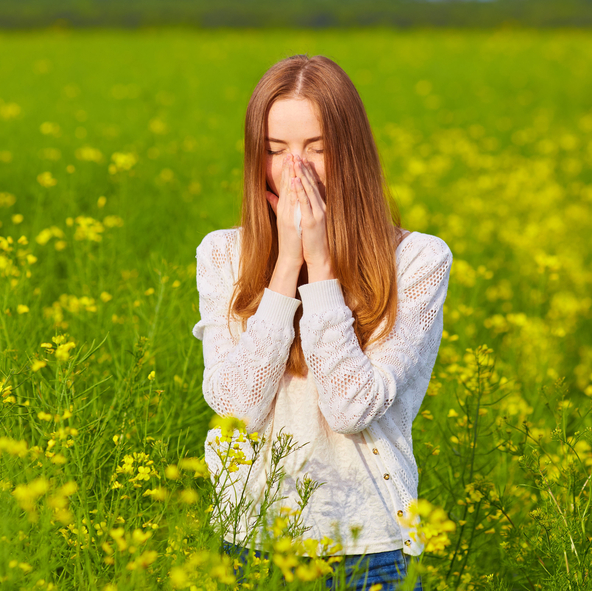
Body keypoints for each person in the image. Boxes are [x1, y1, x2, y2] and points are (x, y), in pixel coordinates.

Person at [191, 53, 452, 591]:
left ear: (351, 153)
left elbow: (352, 407)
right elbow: (236, 406)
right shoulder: (222, 255)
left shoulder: (418, 261)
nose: (296, 170)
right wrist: (286, 267)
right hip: (251, 546)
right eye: (276, 151)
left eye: (316, 148)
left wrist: (323, 267)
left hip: (371, 551)